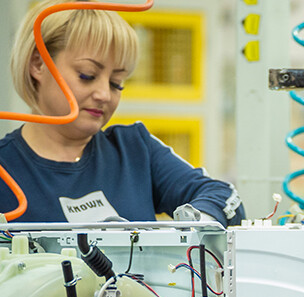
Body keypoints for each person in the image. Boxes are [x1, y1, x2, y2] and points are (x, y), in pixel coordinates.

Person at [0, 0, 244, 225]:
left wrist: (199, 224)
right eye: (87, 75)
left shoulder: (134, 150)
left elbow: (222, 197)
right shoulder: (5, 167)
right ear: (38, 64)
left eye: (116, 83)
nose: (104, 95)